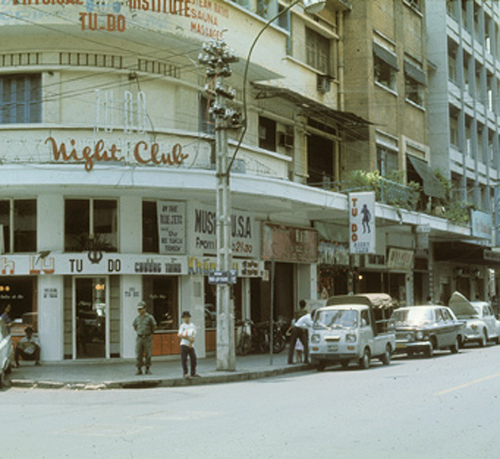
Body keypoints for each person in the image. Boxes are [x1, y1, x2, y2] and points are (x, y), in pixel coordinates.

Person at [132, 301, 157, 375]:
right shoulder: (137, 318)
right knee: (138, 354)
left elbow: (154, 326)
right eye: (138, 309)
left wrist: (149, 333)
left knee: (148, 354)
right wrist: (140, 332)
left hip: (147, 337)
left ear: (145, 309)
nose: (140, 311)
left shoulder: (149, 317)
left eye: (141, 309)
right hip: (139, 338)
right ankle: (139, 369)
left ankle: (147, 368)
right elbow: (135, 326)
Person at [178, 311, 201, 379]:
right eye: (185, 318)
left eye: (187, 317)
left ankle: (193, 372)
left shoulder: (192, 325)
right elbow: (179, 334)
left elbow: (194, 334)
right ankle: (185, 373)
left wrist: (191, 342)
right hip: (184, 344)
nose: (186, 319)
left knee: (193, 359)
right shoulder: (183, 326)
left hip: (191, 345)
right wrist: (188, 338)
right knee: (184, 359)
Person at [287, 300, 309, 364]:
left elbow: (294, 321)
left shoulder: (296, 312)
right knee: (305, 344)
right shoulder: (306, 312)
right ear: (305, 305)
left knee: (292, 345)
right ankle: (306, 359)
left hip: (295, 328)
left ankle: (290, 360)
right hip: (302, 329)